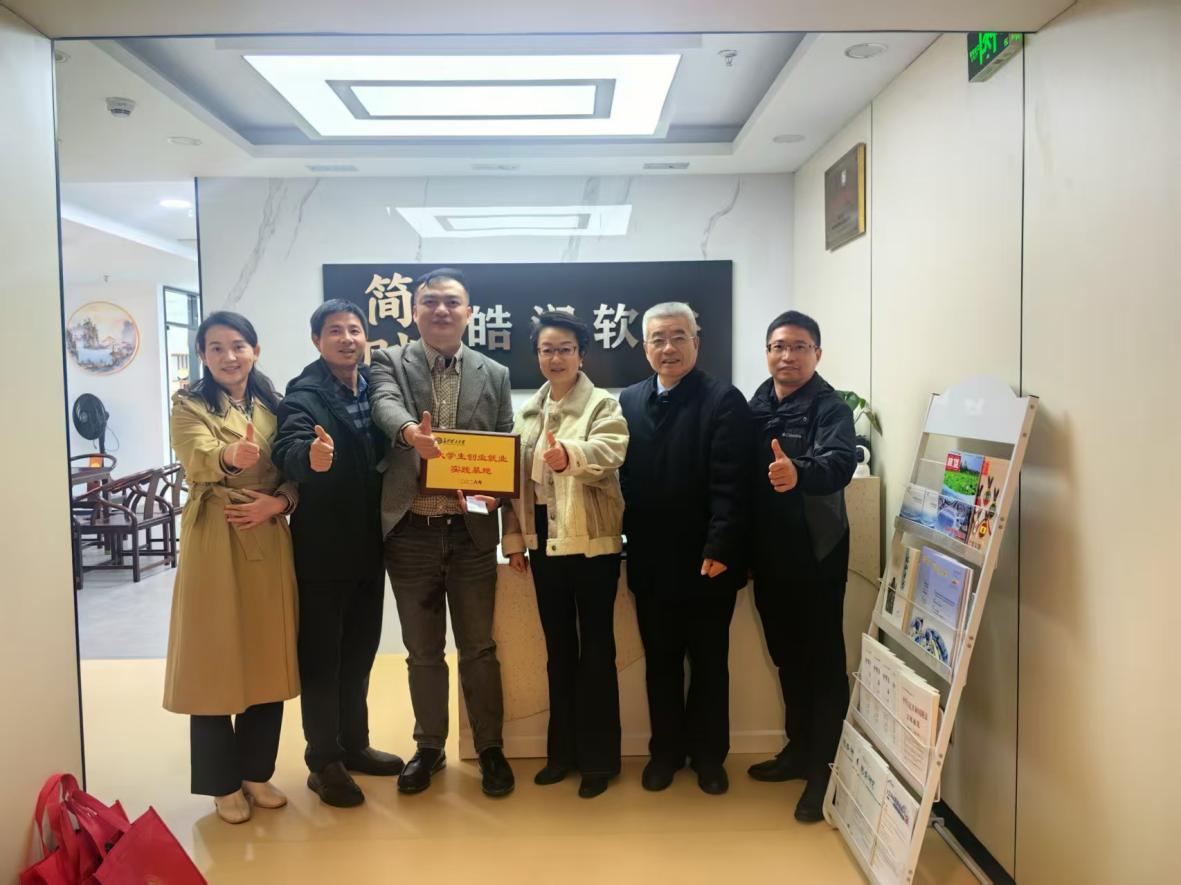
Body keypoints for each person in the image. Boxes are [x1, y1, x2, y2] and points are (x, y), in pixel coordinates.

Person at [368, 268, 516, 797]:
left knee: (479, 648)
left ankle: (490, 748)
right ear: (414, 312)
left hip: (470, 532)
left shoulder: (494, 372)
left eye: (452, 302)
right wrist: (411, 432)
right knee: (423, 651)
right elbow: (383, 404)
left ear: (468, 313)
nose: (441, 310)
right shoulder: (389, 360)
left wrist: (496, 493)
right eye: (430, 301)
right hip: (411, 532)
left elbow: (504, 438)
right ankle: (428, 746)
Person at [163, 311, 299, 824]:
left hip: (267, 530)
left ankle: (256, 773)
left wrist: (280, 502)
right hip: (216, 534)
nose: (229, 356)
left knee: (268, 652)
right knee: (214, 656)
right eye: (216, 347)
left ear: (255, 351)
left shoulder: (276, 404)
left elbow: (295, 470)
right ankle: (221, 784)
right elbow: (196, 456)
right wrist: (229, 456)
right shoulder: (188, 405)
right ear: (202, 355)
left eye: (238, 345)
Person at [271, 300, 404, 808]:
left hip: (369, 546)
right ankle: (323, 761)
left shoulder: (373, 388)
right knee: (323, 660)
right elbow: (288, 447)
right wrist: (310, 456)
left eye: (354, 330)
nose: (347, 339)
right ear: (317, 340)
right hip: (323, 550)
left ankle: (354, 744)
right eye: (334, 331)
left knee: (360, 653)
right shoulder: (303, 395)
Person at [618, 301, 753, 796]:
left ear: (697, 342)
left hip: (708, 561)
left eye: (679, 336)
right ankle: (666, 753)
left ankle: (709, 757)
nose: (668, 347)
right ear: (645, 348)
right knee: (661, 662)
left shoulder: (723, 400)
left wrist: (721, 544)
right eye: (658, 339)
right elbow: (622, 479)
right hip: (651, 559)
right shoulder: (629, 400)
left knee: (710, 664)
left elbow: (732, 482)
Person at [501, 312, 629, 799]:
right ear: (537, 356)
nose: (555, 358)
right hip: (544, 548)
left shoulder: (602, 404)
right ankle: (562, 755)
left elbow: (610, 452)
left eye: (565, 349)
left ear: (582, 354)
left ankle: (599, 762)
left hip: (592, 546)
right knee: (558, 653)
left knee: (596, 651)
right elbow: (514, 485)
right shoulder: (527, 413)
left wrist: (568, 456)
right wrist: (516, 542)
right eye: (546, 350)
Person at [746, 310, 857, 822]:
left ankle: (826, 769)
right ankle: (798, 750)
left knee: (822, 661)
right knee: (787, 657)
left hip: (816, 554)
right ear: (767, 352)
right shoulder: (757, 403)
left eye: (798, 347)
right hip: (770, 556)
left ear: (817, 353)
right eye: (778, 347)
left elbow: (840, 463)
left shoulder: (831, 407)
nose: (787, 356)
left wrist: (799, 472)